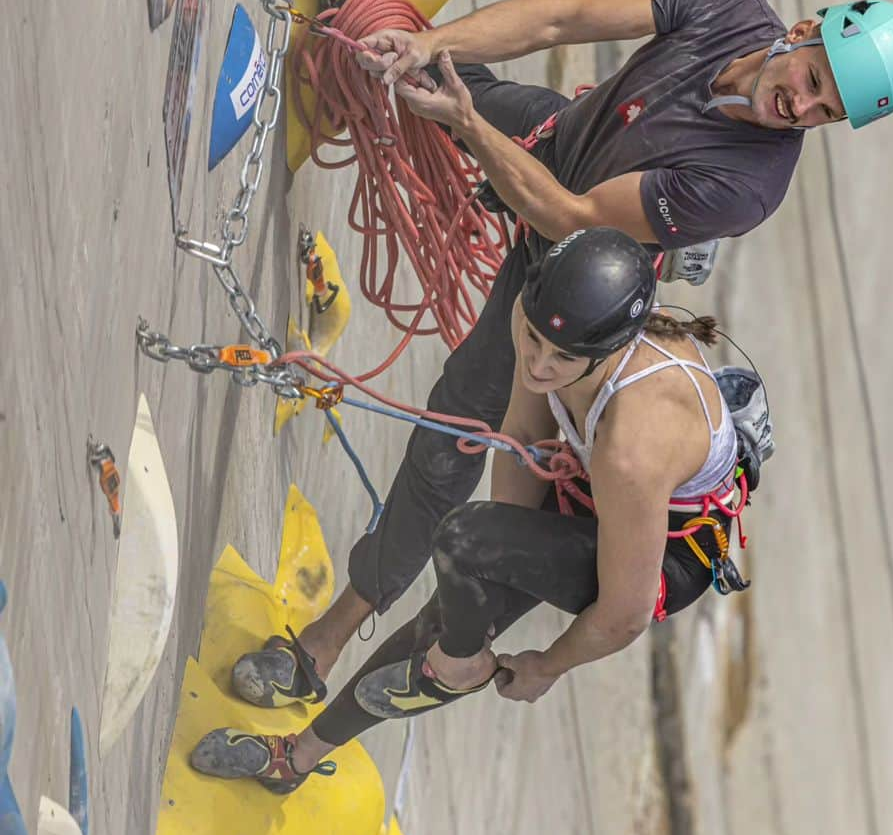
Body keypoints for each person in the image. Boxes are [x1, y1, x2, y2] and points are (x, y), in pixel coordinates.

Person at [226, 0, 893, 706]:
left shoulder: (748, 183)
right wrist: (434, 47)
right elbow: (561, 20)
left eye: (825, 112)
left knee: (451, 435)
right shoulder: (726, 3)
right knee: (443, 76)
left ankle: (320, 646)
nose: (803, 105)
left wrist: (468, 128)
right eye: (814, 77)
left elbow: (572, 216)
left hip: (570, 272)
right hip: (562, 140)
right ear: (803, 32)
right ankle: (371, 3)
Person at [192, 227, 768, 792]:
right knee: (455, 598)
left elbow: (625, 614)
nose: (539, 364)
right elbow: (521, 430)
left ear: (610, 349)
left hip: (662, 550)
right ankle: (311, 751)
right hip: (593, 488)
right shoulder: (540, 320)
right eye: (534, 341)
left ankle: (351, 726)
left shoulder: (635, 444)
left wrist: (547, 664)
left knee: (463, 544)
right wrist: (479, 597)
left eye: (561, 357)